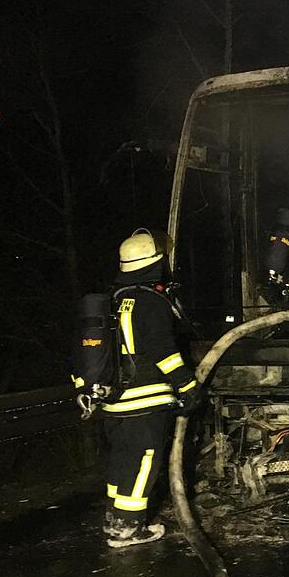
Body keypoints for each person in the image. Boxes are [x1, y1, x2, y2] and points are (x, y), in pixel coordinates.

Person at [101, 229, 200, 547]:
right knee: (145, 458)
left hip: (114, 398)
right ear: (155, 261)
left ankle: (114, 518)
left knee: (122, 458)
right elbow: (162, 349)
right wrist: (186, 384)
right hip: (144, 396)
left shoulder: (114, 297)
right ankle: (129, 527)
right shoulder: (150, 300)